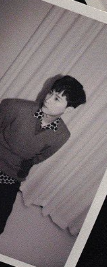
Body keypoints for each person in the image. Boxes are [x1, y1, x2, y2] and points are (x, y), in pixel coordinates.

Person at [0, 76, 86, 235]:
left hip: (11, 174)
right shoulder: (15, 107)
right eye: (51, 92)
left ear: (68, 109)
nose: (48, 99)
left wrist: (20, 168)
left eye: (57, 98)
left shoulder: (62, 135)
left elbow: (39, 157)